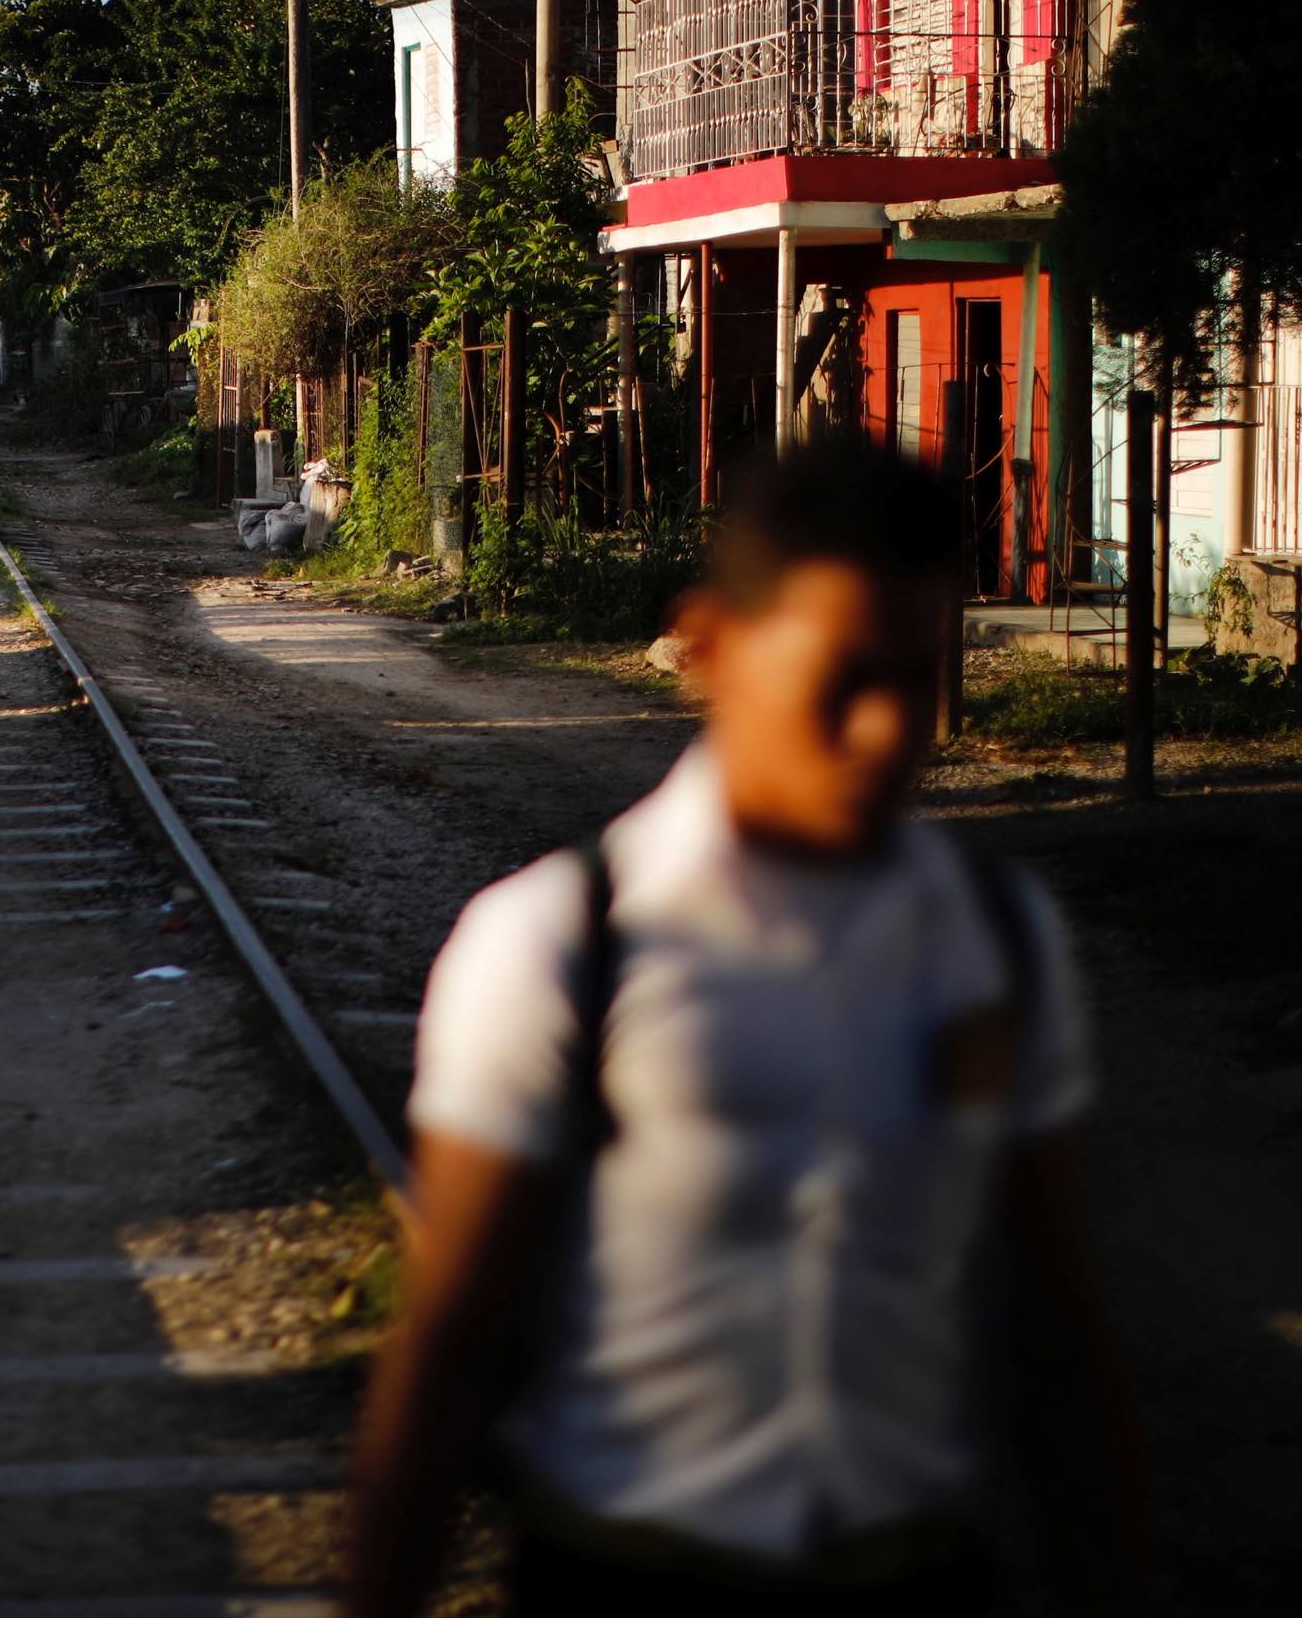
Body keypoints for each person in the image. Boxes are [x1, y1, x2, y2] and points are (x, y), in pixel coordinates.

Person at [337, 434, 1158, 1617]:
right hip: (614, 1584)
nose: (885, 733)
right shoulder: (561, 943)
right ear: (711, 647)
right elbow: (452, 1340)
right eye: (842, 682)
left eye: (916, 680)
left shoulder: (997, 939)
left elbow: (1058, 1332)